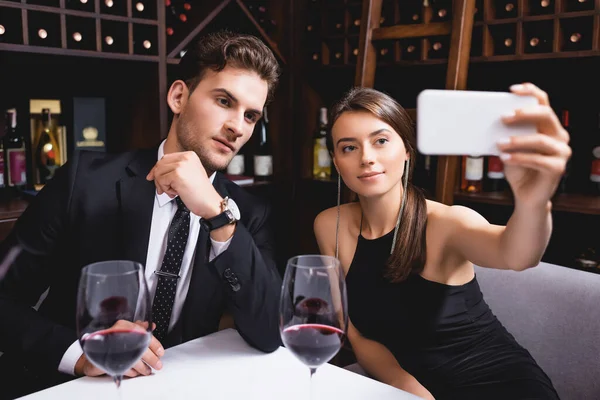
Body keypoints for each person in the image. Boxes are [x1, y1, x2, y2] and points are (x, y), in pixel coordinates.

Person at [0, 30, 282, 399]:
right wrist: (80, 354)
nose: (237, 126)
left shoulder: (246, 213)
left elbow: (269, 332)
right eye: (224, 101)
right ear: (179, 96)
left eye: (250, 115)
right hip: (76, 387)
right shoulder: (84, 181)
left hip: (183, 388)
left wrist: (216, 212)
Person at [314, 84, 570, 400]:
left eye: (381, 141)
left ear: (406, 151)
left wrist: (534, 202)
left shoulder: (447, 223)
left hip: (499, 383)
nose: (366, 158)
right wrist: (410, 390)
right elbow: (356, 333)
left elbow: (517, 255)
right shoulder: (330, 225)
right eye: (349, 147)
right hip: (416, 389)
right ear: (337, 161)